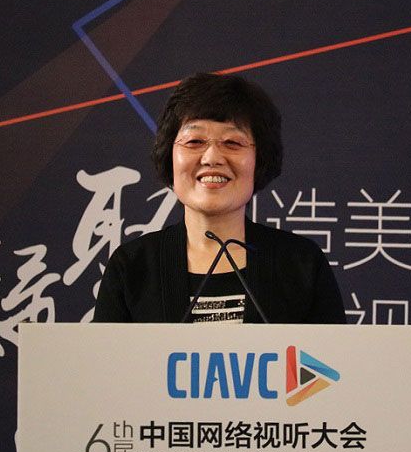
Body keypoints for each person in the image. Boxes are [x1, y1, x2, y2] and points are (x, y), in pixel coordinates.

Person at [93, 72, 345, 323]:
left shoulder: (301, 264)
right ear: (169, 155)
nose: (212, 157)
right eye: (195, 141)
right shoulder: (132, 267)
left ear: (259, 159)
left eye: (232, 143)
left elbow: (331, 350)